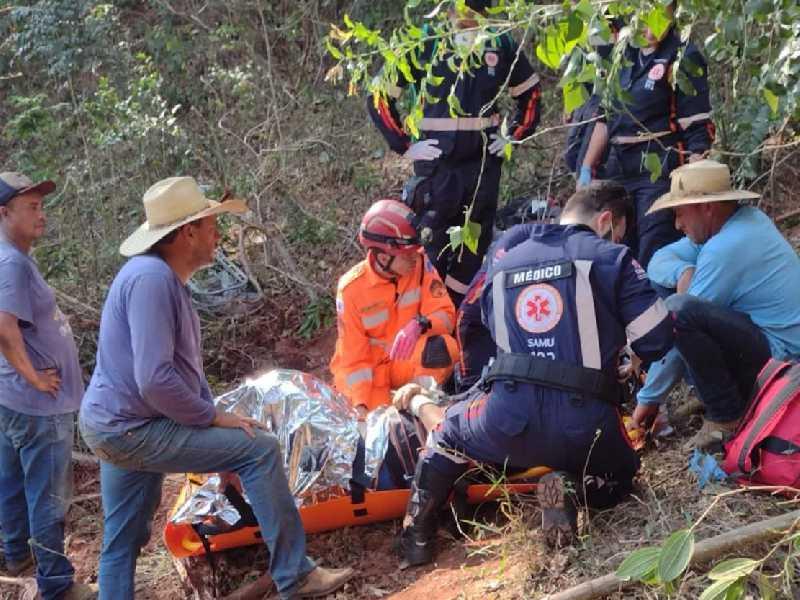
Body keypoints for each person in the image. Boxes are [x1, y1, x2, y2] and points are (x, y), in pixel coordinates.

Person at [78, 177, 353, 600]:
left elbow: (181, 371)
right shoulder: (153, 281)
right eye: (210, 225)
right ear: (187, 233)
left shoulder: (158, 277)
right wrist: (212, 420)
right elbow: (155, 379)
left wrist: (217, 442)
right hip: (130, 427)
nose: (217, 234)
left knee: (121, 540)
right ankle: (296, 576)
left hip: (114, 425)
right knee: (257, 448)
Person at [397, 180, 673, 565]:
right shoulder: (613, 258)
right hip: (589, 425)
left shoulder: (504, 258)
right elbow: (658, 339)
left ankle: (416, 539)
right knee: (621, 476)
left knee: (447, 434)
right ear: (608, 220)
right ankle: (571, 489)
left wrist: (479, 384)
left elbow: (472, 322)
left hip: (506, 418)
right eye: (620, 231)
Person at [367, 0, 542, 305]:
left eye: (475, 11)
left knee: (474, 243)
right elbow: (379, 97)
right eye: (460, 9)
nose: (467, 16)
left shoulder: (499, 42)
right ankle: (427, 313)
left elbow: (530, 93)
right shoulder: (426, 41)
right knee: (432, 239)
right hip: (437, 165)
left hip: (483, 164)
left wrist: (513, 136)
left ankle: (455, 312)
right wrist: (406, 146)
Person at [630, 160, 800, 450]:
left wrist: (648, 399)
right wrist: (682, 272)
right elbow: (659, 258)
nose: (677, 224)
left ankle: (726, 416)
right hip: (767, 344)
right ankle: (718, 393)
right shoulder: (744, 220)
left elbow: (677, 325)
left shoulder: (726, 248)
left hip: (782, 363)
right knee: (674, 297)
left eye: (681, 213)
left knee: (679, 312)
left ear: (706, 208)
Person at [0, 172, 93, 600]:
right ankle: (56, 583)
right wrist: (35, 376)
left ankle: (16, 555)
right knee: (49, 494)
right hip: (38, 405)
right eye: (32, 207)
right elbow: (4, 327)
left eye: (41, 206)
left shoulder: (12, 257)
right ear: (4, 214)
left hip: (15, 400)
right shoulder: (11, 263)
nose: (42, 214)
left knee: (13, 482)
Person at [579, 0, 714, 268]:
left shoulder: (681, 56)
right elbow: (605, 119)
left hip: (658, 165)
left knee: (653, 246)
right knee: (612, 244)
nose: (651, 25)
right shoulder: (622, 54)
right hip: (617, 164)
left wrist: (694, 185)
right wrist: (586, 167)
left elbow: (698, 127)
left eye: (660, 16)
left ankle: (658, 305)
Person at [330, 199, 459, 416]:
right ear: (383, 257)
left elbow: (446, 315)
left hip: (403, 361)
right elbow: (355, 361)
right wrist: (361, 408)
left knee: (443, 347)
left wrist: (421, 324)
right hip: (369, 374)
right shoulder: (351, 289)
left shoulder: (419, 265)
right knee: (379, 427)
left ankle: (421, 402)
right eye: (407, 253)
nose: (414, 257)